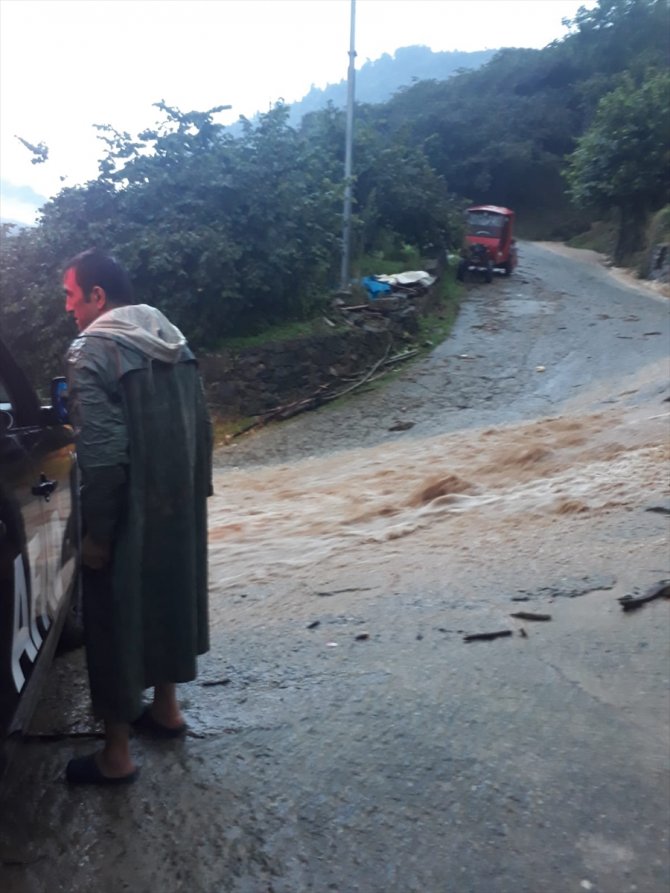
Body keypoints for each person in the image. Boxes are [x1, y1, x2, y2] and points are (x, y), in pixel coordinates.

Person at [62, 248, 212, 785]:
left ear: (97, 297)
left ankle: (117, 755)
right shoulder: (172, 335)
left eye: (71, 296)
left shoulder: (91, 350)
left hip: (125, 511)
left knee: (110, 617)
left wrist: (98, 535)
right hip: (177, 503)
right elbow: (203, 425)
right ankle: (166, 711)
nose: (68, 308)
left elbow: (101, 457)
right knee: (168, 593)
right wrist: (199, 494)